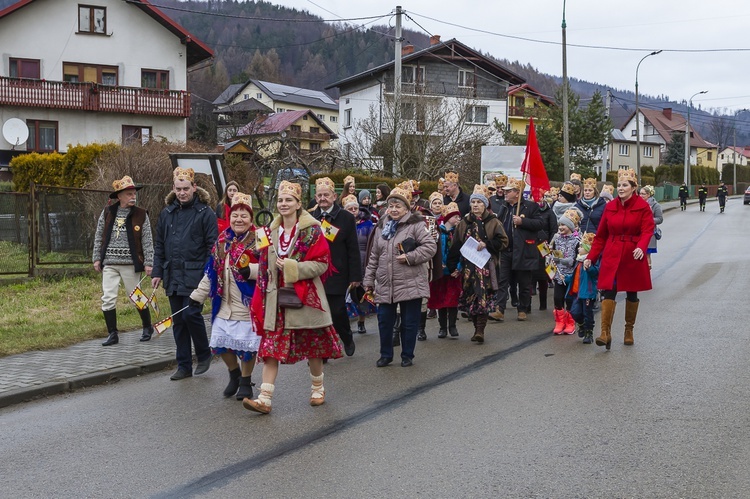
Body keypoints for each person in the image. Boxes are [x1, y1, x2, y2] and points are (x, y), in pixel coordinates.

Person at [244, 181, 343, 414]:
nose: (284, 204)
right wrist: (248, 270)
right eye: (280, 200)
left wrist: (291, 267)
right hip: (276, 300)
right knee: (270, 349)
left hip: (305, 299)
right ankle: (264, 399)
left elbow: (321, 264)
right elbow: (266, 266)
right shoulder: (267, 232)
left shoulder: (313, 230)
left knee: (313, 347)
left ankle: (318, 389)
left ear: (299, 204)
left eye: (289, 200)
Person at [189, 192, 260, 400]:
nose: (239, 219)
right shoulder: (222, 241)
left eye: (244, 215)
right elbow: (211, 272)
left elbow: (269, 268)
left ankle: (246, 381)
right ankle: (234, 374)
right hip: (223, 303)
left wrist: (252, 271)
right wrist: (197, 296)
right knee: (221, 345)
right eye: (235, 215)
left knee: (247, 347)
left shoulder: (259, 240)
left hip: (247, 304)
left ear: (251, 218)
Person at [152, 167, 218, 380]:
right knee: (178, 321)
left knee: (191, 314)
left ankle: (204, 353)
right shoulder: (167, 213)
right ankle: (184, 366)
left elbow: (212, 246)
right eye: (178, 189)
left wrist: (209, 272)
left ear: (194, 188)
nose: (182, 193)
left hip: (195, 275)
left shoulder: (205, 213)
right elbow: (159, 245)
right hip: (173, 274)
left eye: (186, 189)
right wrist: (157, 271)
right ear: (173, 189)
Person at [364, 186, 437, 367]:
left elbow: (429, 247)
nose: (394, 209)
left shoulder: (416, 225)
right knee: (384, 321)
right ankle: (386, 354)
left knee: (409, 322)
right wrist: (368, 280)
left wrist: (410, 257)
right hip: (385, 282)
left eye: (398, 206)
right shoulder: (382, 227)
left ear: (407, 208)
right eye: (391, 206)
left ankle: (407, 355)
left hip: (410, 281)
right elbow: (374, 255)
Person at [584, 168, 654, 349]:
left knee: (632, 291)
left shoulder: (642, 206)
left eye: (624, 185)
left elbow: (648, 230)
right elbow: (600, 236)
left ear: (633, 187)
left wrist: (641, 246)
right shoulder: (610, 206)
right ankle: (605, 333)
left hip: (632, 254)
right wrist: (591, 257)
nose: (620, 188)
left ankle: (628, 330)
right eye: (619, 185)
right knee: (609, 290)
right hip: (612, 252)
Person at [93, 175, 154, 346]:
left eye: (134, 194)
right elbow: (99, 236)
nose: (133, 197)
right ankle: (112, 333)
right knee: (108, 297)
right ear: (119, 196)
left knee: (136, 296)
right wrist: (97, 258)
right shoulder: (108, 212)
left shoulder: (141, 214)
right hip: (110, 263)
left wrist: (149, 262)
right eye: (128, 194)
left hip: (130, 264)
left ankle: (147, 326)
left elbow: (147, 240)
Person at [447, 185, 508, 343]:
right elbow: (456, 244)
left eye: (478, 202)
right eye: (473, 202)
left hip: (486, 266)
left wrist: (487, 243)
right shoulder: (464, 222)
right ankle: (476, 327)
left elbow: (504, 242)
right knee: (470, 296)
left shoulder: (493, 221)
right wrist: (452, 265)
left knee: (483, 297)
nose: (475, 205)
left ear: (485, 204)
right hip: (468, 266)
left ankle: (480, 330)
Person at [311, 177, 361, 357]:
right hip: (314, 272)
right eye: (319, 195)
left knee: (337, 311)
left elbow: (353, 248)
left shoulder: (346, 217)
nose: (323, 198)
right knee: (318, 314)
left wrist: (356, 276)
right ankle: (322, 351)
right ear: (315, 198)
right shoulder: (310, 217)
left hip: (337, 272)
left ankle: (346, 337)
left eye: (326, 195)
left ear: (334, 196)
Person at [490, 178, 543, 322]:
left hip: (524, 249)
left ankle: (522, 308)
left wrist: (523, 222)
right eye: (505, 191)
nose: (504, 193)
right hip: (506, 250)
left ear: (517, 193)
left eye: (508, 191)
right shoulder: (504, 207)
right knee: (503, 280)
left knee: (524, 282)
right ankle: (499, 309)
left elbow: (540, 223)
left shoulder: (531, 207)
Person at [428, 202, 462, 338]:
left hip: (453, 271)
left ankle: (452, 325)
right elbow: (433, 249)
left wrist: (459, 267)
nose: (458, 220)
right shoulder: (438, 232)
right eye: (456, 217)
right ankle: (442, 327)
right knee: (440, 299)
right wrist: (438, 264)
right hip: (440, 272)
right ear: (448, 217)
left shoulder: (459, 233)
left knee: (452, 299)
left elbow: (463, 251)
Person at [342, 194, 375, 335]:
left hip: (362, 260)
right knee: (345, 294)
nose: (353, 211)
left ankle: (361, 321)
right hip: (345, 261)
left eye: (355, 208)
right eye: (350, 209)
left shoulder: (367, 224)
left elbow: (371, 244)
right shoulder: (341, 224)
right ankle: (346, 322)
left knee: (360, 293)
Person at [550, 209, 581, 335]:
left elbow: (573, 260)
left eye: (563, 225)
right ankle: (559, 322)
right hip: (559, 274)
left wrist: (562, 260)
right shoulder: (557, 239)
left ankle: (570, 322)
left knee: (569, 300)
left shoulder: (577, 241)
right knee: (557, 298)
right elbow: (553, 253)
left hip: (571, 276)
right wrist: (550, 256)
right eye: (560, 225)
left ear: (571, 226)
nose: (561, 227)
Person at [568, 232, 599, 344]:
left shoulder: (591, 262)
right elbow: (575, 276)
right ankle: (581, 325)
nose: (579, 249)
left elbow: (596, 273)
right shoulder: (579, 261)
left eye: (581, 246)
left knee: (587, 313)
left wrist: (589, 267)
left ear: (588, 249)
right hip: (577, 292)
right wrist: (567, 279)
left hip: (587, 292)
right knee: (574, 312)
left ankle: (588, 332)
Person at [640, 185, 663, 269]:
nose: (641, 196)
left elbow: (660, 219)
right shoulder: (637, 204)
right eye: (640, 194)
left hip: (649, 233)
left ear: (649, 195)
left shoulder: (655, 205)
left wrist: (649, 220)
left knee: (647, 253)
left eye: (643, 194)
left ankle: (647, 273)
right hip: (638, 232)